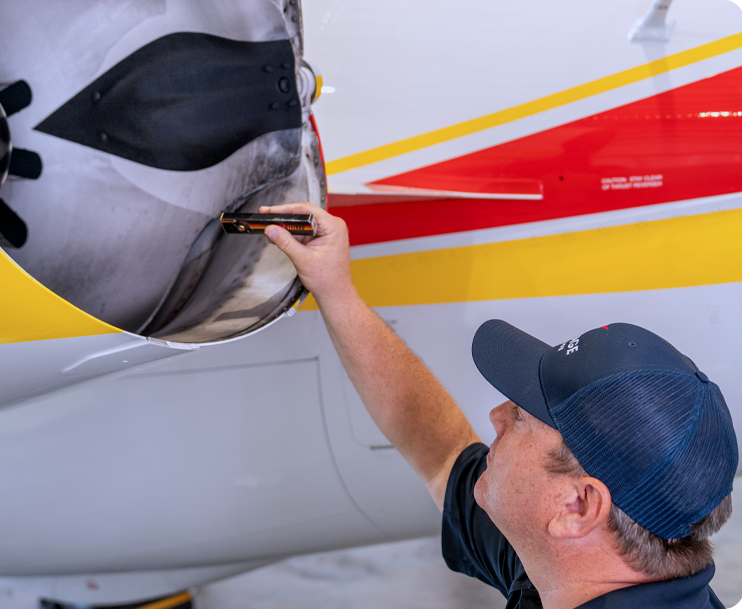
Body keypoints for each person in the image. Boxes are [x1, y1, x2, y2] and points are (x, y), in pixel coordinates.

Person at [261, 202, 738, 609]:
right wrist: (336, 288)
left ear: (579, 504)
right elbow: (441, 453)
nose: (496, 415)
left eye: (524, 418)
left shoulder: (573, 562)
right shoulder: (573, 563)